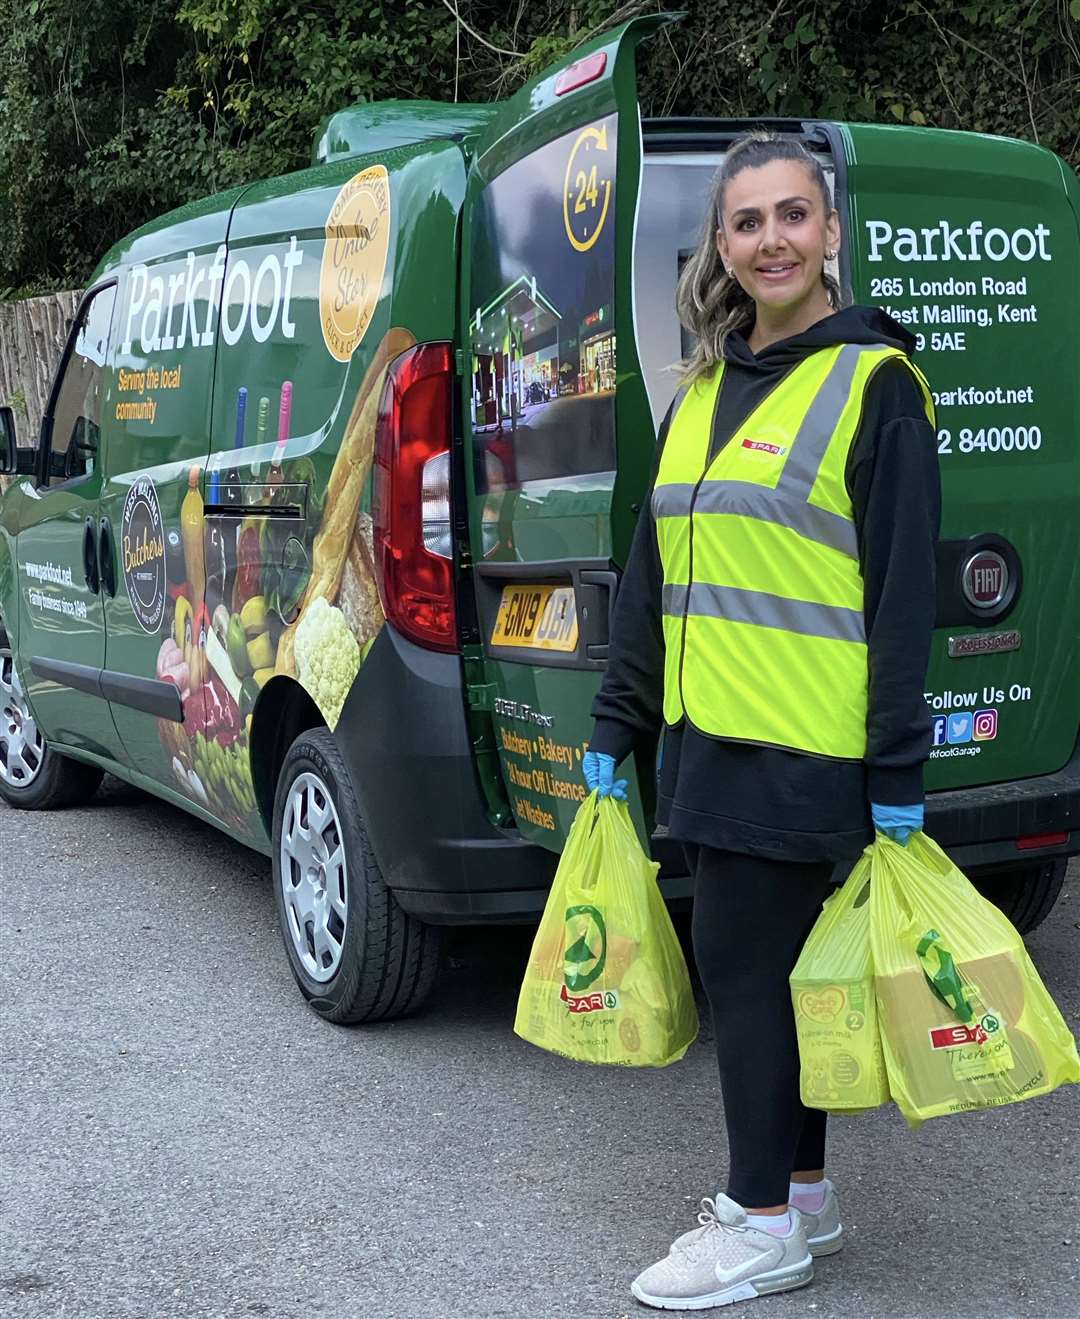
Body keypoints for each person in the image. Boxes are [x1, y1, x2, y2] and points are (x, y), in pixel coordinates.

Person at [582, 132, 941, 1310]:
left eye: (794, 215)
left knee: (744, 977)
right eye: (749, 222)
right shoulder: (705, 384)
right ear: (722, 246)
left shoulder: (877, 386)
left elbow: (902, 598)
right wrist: (616, 716)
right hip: (707, 739)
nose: (772, 239)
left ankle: (757, 1222)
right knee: (779, 980)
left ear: (831, 231)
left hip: (803, 750)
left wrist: (897, 769)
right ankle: (806, 1194)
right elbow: (654, 570)